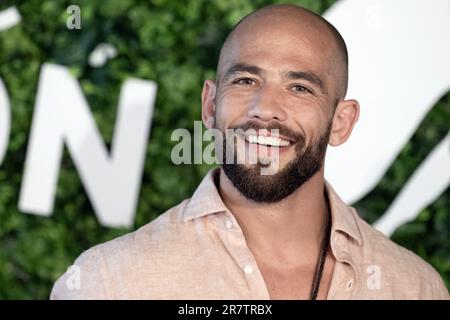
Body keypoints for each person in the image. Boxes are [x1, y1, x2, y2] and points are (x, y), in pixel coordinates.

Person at [51, 4, 449, 299]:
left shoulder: (415, 287)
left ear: (341, 122)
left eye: (300, 88)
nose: (265, 108)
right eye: (245, 80)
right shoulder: (105, 283)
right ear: (210, 105)